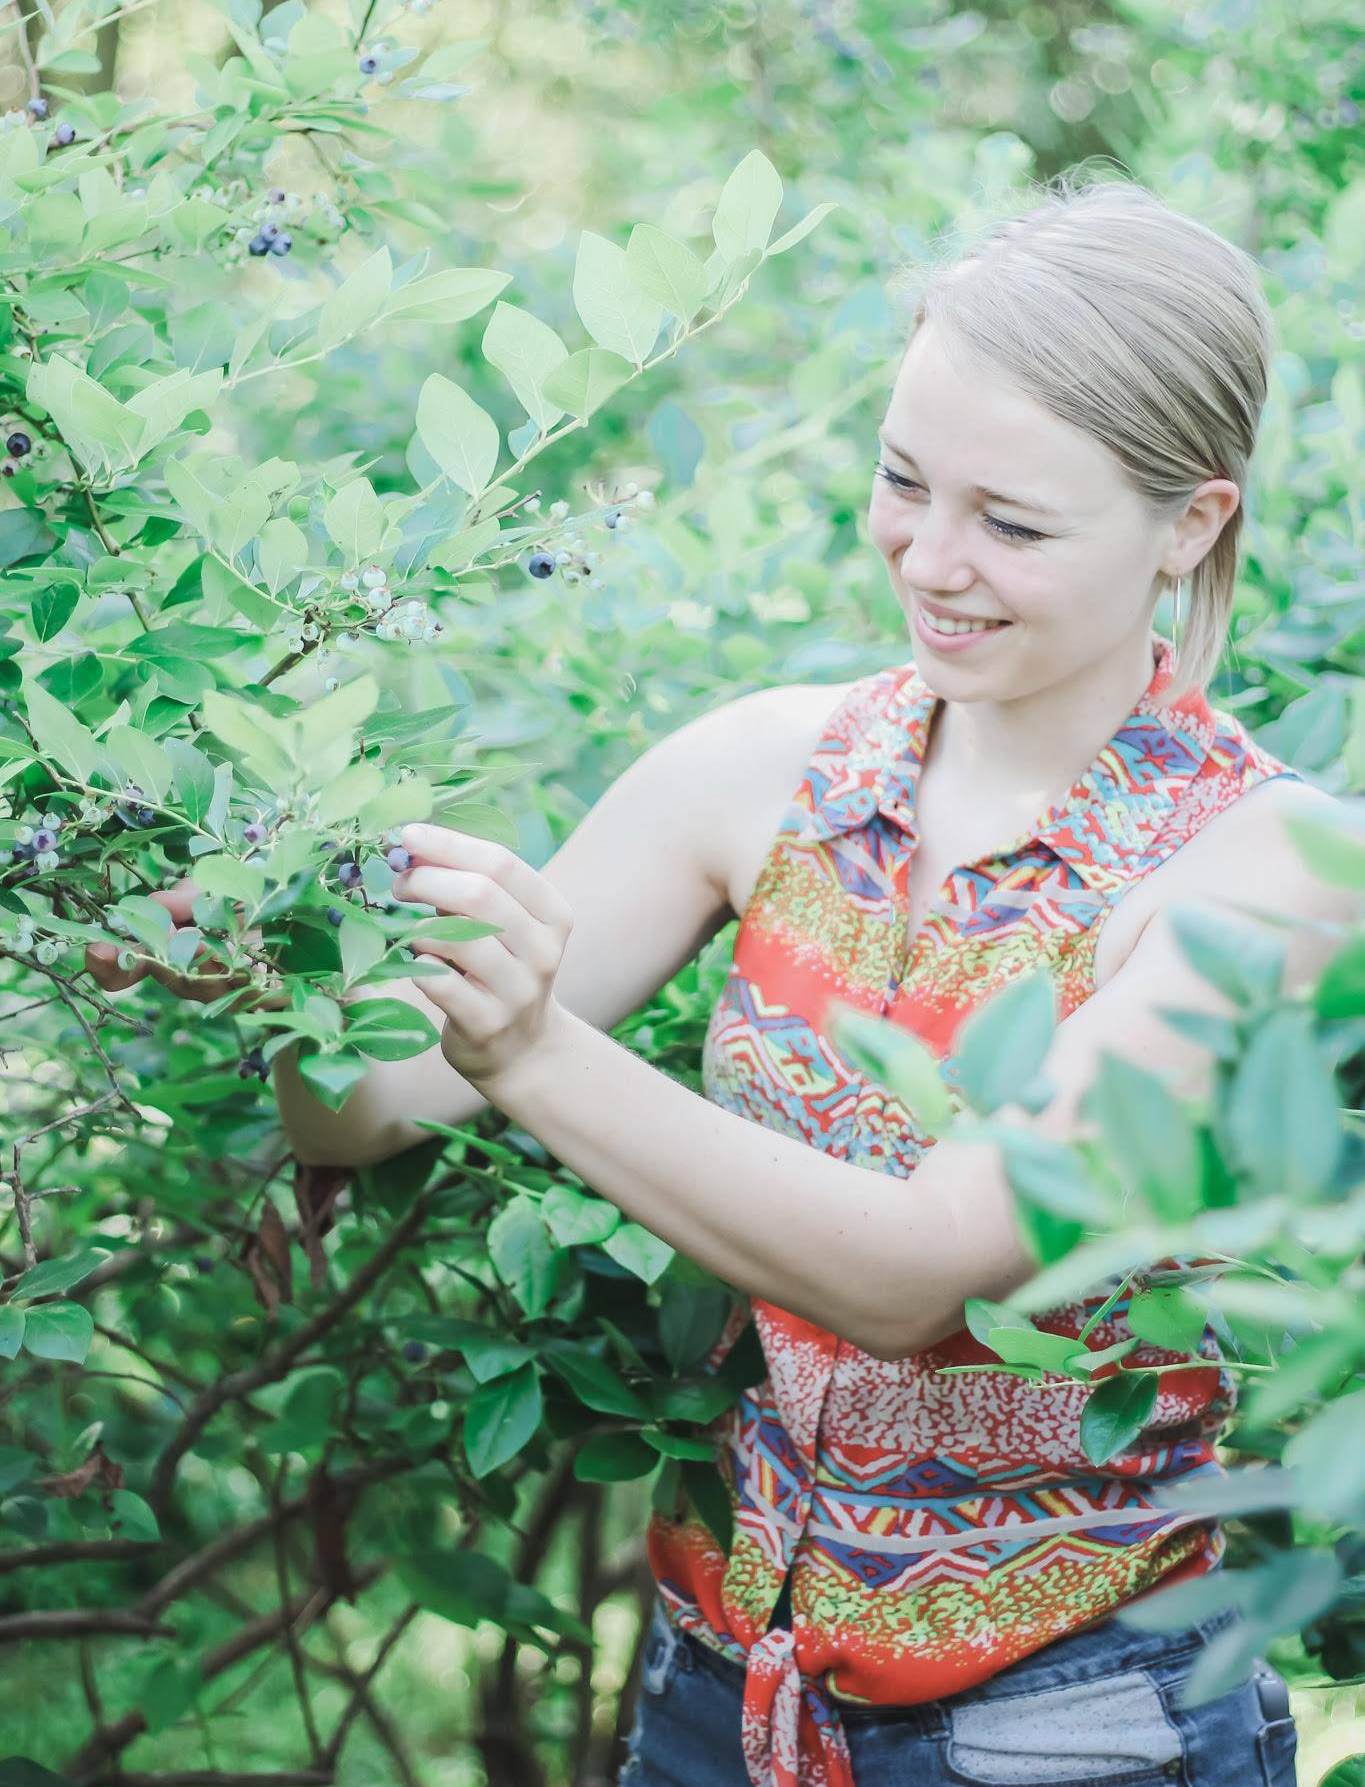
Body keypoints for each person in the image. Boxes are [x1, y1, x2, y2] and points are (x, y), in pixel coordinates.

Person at [86, 175, 1344, 1786]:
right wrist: (291, 959)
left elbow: (920, 1275)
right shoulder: (765, 769)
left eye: (1013, 523)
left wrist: (534, 1049)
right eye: (902, 479)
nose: (929, 557)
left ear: (1193, 522)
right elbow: (371, 1110)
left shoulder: (1268, 868)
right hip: (718, 1692)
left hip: (1077, 1727)